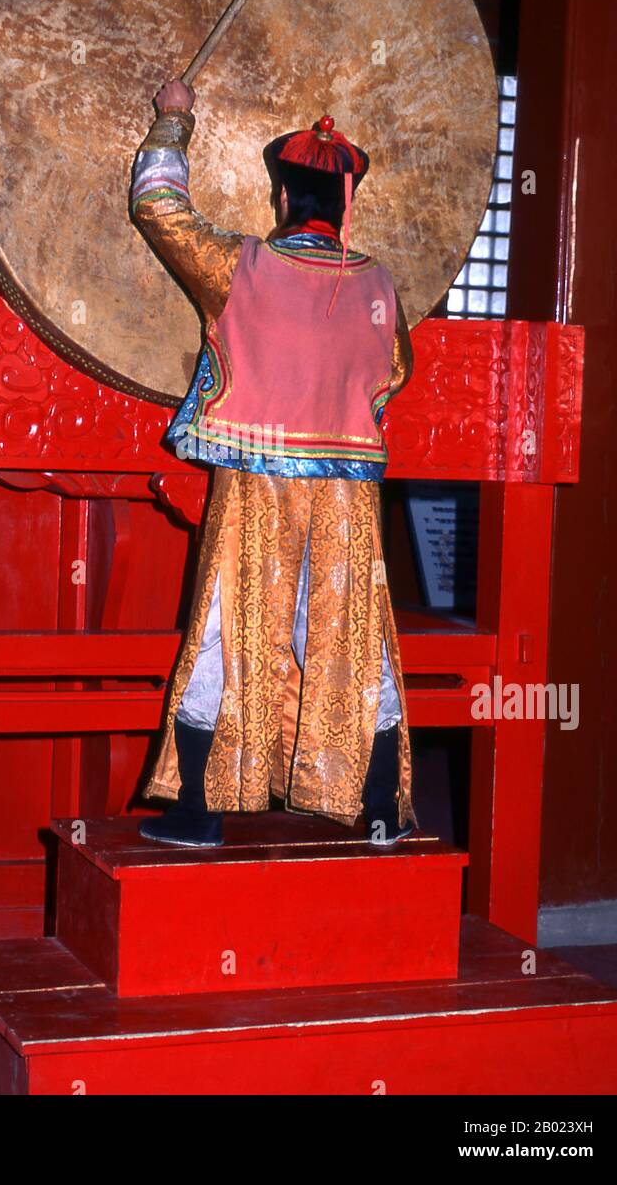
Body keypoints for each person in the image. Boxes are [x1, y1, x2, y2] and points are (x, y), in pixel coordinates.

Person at [130, 78, 417, 849]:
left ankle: (202, 807)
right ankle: (381, 807)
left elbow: (159, 210)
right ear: (342, 203)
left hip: (257, 476)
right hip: (349, 491)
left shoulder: (242, 268)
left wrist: (173, 118)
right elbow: (394, 372)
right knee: (355, 635)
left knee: (227, 626)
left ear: (283, 198)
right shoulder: (380, 285)